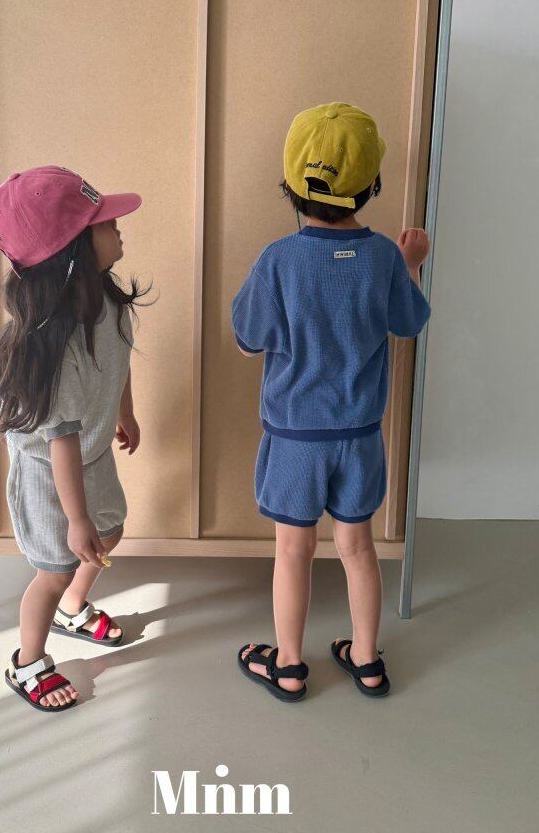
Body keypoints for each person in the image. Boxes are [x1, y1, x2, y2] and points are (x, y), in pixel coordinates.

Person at [233, 103, 431, 701]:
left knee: (293, 551)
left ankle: (289, 665)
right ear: (371, 184)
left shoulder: (278, 259)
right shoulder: (383, 257)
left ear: (292, 184)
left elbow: (248, 337)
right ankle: (366, 660)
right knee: (359, 548)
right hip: (360, 435)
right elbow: (409, 322)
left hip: (296, 438)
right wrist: (410, 266)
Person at [0, 165, 151, 711]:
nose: (118, 226)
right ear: (71, 250)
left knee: (109, 532)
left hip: (90, 453)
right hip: (49, 472)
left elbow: (120, 363)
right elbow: (60, 440)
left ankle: (72, 609)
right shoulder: (53, 345)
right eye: (105, 222)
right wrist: (75, 518)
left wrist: (125, 412)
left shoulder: (109, 304)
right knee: (55, 568)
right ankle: (27, 662)